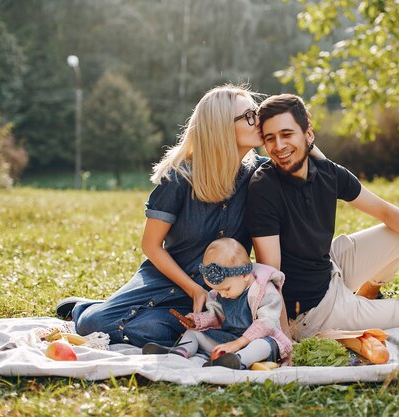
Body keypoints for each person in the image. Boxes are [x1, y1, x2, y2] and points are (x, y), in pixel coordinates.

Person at [55, 84, 268, 347]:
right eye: (248, 115)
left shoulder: (261, 175)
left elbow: (311, 165)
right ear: (221, 126)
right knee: (92, 325)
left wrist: (309, 140)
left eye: (256, 112)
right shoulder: (179, 178)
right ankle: (87, 310)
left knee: (186, 331)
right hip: (165, 277)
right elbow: (151, 245)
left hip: (223, 292)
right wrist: (193, 289)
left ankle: (146, 322)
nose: (258, 120)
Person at [244, 94, 399, 341]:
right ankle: (367, 307)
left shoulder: (327, 172)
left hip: (330, 265)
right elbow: (272, 273)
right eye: (270, 138)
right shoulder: (264, 188)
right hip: (314, 311)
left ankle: (367, 295)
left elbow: (385, 212)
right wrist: (284, 339)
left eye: (287, 134)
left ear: (308, 134)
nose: (278, 146)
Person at [142, 238, 291, 370]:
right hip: (230, 341)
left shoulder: (264, 291)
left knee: (261, 345)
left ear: (245, 275)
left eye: (226, 289)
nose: (222, 294)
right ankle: (179, 353)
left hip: (259, 342)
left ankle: (239, 361)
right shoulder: (220, 293)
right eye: (218, 290)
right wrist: (198, 321)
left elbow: (266, 323)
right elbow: (217, 316)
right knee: (193, 334)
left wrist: (238, 344)